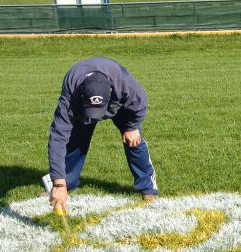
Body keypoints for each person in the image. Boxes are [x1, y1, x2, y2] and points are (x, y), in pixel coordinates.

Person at [47, 57, 158, 212]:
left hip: (119, 105)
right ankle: (67, 184)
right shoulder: (72, 92)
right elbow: (58, 138)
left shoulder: (123, 82)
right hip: (81, 108)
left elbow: (140, 103)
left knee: (134, 141)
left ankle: (148, 188)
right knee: (75, 143)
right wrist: (59, 183)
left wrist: (131, 127)